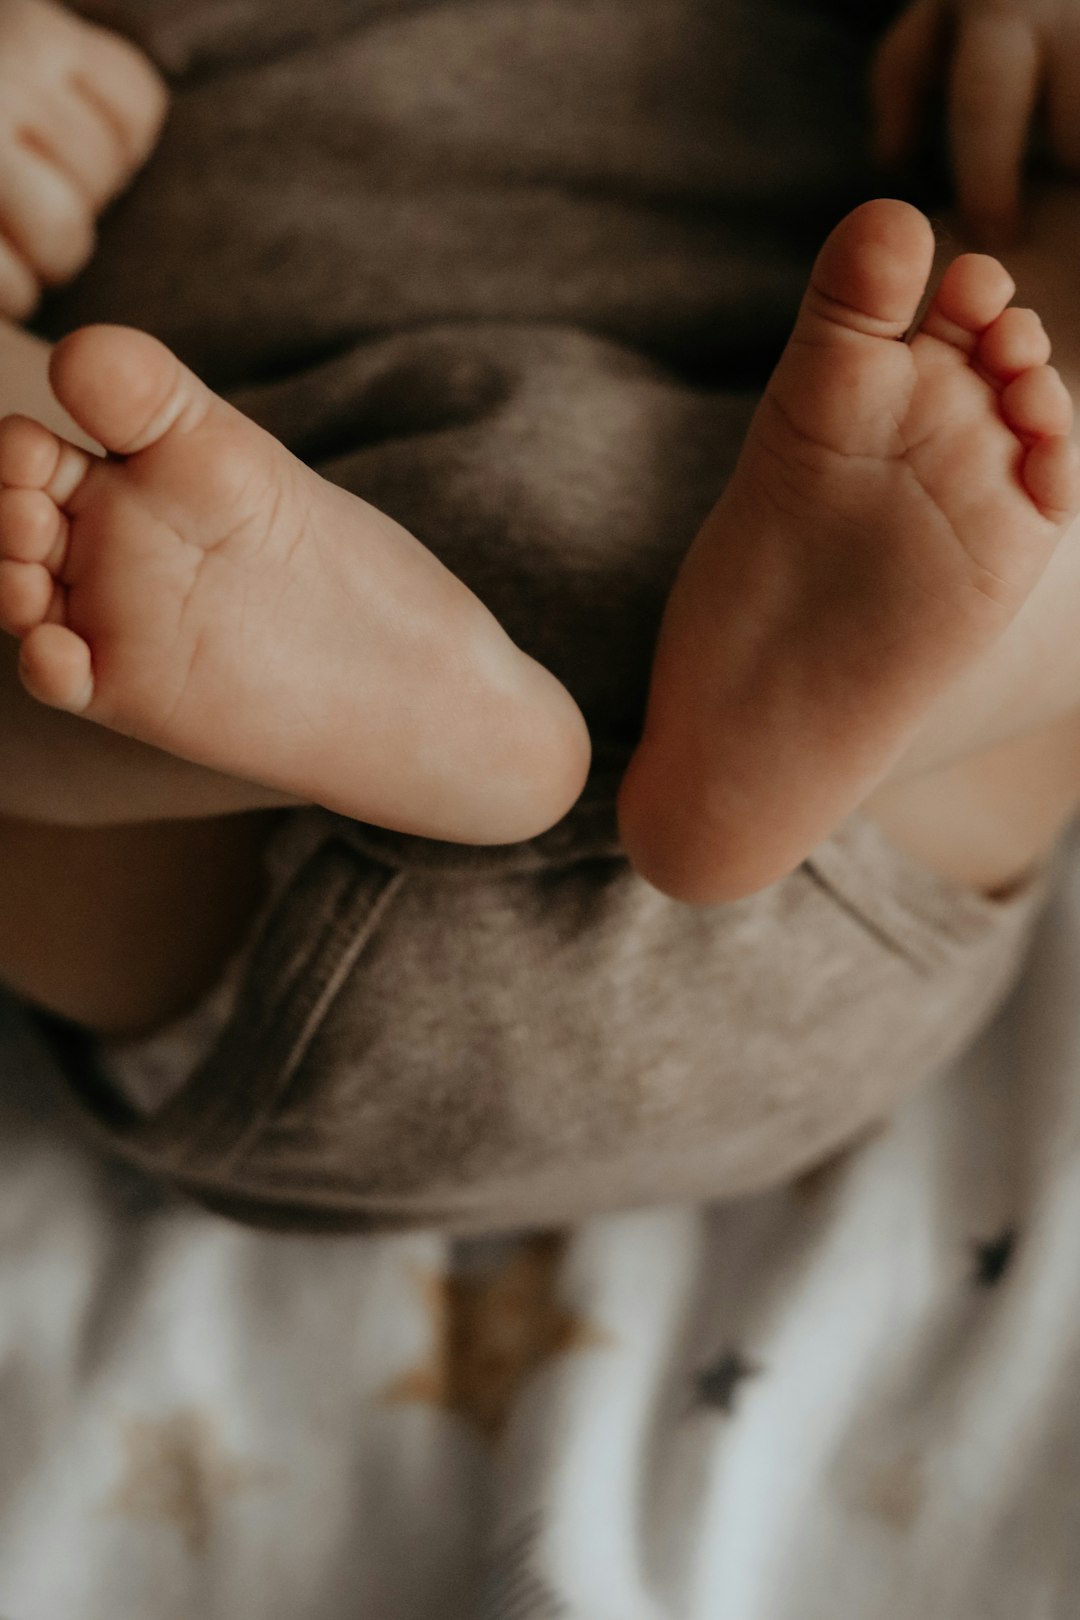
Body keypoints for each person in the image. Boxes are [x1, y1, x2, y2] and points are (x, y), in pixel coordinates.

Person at [0, 0, 1078, 1232]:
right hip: (193, 728)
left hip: (837, 670)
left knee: (1028, 369)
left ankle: (640, 726)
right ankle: (444, 718)